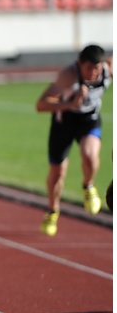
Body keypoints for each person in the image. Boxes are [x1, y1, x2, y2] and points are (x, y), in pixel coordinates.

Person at [36, 44, 112, 236]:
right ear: (79, 64)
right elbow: (41, 104)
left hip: (89, 120)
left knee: (90, 155)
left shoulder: (108, 70)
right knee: (57, 172)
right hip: (65, 122)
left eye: (97, 68)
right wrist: (70, 103)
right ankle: (52, 211)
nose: (93, 73)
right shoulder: (68, 75)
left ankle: (88, 186)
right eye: (89, 69)